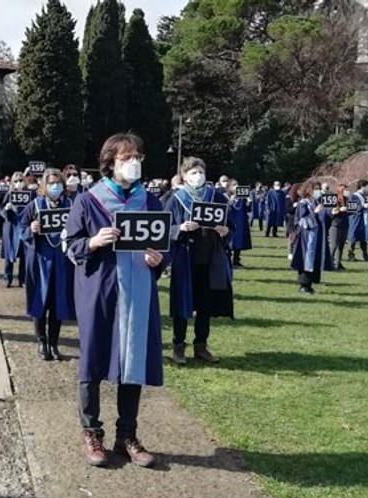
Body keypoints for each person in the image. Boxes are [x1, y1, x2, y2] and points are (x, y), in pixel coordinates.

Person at [64, 133, 166, 469]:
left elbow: (165, 246)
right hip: (101, 290)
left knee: (133, 361)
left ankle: (127, 434)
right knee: (93, 358)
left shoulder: (149, 202)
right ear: (111, 162)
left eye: (138, 156)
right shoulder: (88, 201)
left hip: (137, 290)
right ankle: (91, 431)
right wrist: (93, 242)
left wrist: (158, 260)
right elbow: (72, 245)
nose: (134, 162)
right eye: (126, 157)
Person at [165, 157, 233, 365]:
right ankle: (178, 347)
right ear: (184, 176)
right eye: (193, 172)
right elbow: (164, 226)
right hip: (185, 258)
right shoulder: (176, 199)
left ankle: (201, 346)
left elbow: (230, 225)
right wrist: (179, 229)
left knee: (205, 305)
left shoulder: (217, 197)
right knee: (181, 305)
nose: (198, 176)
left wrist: (226, 231)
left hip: (209, 258)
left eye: (201, 172)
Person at [20, 168, 75, 361]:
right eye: (51, 183)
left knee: (58, 301)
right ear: (44, 185)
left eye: (58, 183)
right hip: (40, 259)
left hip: (62, 260)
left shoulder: (70, 204)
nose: (55, 187)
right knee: (40, 300)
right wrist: (31, 229)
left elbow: (80, 227)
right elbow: (21, 228)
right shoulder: (35, 205)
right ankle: (42, 342)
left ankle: (54, 343)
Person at [290, 182, 326, 294]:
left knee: (314, 260)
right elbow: (302, 221)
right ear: (309, 191)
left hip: (316, 236)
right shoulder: (303, 204)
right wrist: (314, 213)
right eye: (316, 189)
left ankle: (310, 285)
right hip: (306, 237)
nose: (318, 191)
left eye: (319, 189)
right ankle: (303, 285)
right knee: (306, 260)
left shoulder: (315, 203)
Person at [0, 171, 29, 288]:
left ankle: (23, 278)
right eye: (16, 181)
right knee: (9, 254)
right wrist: (7, 209)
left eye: (21, 180)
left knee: (24, 254)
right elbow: (1, 209)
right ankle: (7, 278)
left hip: (24, 225)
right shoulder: (9, 194)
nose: (19, 183)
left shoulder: (29, 194)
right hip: (11, 225)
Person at [226, 179, 252, 267]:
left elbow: (248, 210)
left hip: (241, 221)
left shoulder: (242, 198)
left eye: (237, 184)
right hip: (231, 221)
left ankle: (236, 259)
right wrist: (231, 200)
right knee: (230, 241)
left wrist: (248, 202)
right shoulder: (226, 196)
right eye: (234, 185)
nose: (236, 186)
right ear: (229, 187)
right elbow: (225, 208)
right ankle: (228, 259)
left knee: (239, 241)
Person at [347, 179, 368, 262]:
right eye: (367, 186)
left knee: (363, 238)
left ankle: (365, 255)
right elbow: (351, 208)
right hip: (355, 219)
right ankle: (351, 254)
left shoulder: (366, 196)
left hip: (364, 219)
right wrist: (362, 206)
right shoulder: (354, 196)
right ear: (362, 186)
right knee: (353, 237)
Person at [325, 184, 350, 271]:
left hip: (344, 224)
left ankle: (337, 263)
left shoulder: (347, 200)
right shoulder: (334, 199)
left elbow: (350, 212)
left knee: (341, 245)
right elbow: (330, 212)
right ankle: (329, 263)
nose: (347, 192)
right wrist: (339, 210)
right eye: (345, 190)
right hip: (335, 224)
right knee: (333, 245)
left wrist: (350, 209)